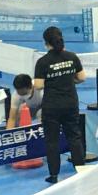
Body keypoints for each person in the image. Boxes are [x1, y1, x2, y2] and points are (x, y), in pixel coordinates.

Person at [34, 26, 85, 184]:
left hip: (52, 106)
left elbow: (38, 85)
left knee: (52, 141)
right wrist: (68, 80)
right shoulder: (72, 57)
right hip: (71, 103)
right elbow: (82, 77)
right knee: (74, 137)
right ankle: (81, 171)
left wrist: (52, 81)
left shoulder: (42, 62)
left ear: (46, 42)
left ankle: (54, 175)